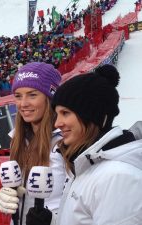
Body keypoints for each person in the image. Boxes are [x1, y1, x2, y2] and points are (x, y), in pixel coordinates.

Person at [48, 64, 142, 225]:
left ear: (94, 116)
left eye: (65, 113)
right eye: (57, 114)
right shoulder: (88, 164)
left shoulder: (117, 177)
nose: (57, 123)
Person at [0, 62, 66, 225]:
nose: (23, 104)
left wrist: (51, 221)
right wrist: (7, 196)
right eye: (18, 96)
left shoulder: (65, 141)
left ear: (50, 97)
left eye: (32, 95)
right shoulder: (18, 138)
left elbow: (81, 206)